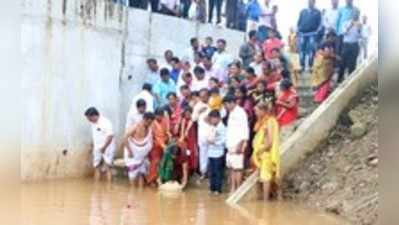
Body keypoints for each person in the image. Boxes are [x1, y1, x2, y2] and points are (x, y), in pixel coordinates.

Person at [252, 100, 280, 201]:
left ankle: (265, 202)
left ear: (263, 111)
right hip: (262, 154)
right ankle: (266, 199)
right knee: (263, 177)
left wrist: (260, 151)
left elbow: (269, 142)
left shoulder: (270, 122)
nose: (255, 113)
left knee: (265, 178)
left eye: (257, 111)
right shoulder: (263, 122)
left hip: (266, 154)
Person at [223, 94, 249, 193]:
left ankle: (238, 189)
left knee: (237, 168)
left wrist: (241, 144)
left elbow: (244, 129)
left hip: (238, 143)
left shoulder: (240, 112)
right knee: (231, 167)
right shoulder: (231, 112)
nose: (225, 107)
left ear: (232, 103)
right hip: (230, 143)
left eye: (226, 104)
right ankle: (232, 188)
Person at [122, 112, 155, 187]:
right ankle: (132, 193)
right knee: (132, 176)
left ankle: (140, 195)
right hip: (133, 155)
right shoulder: (135, 126)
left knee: (141, 174)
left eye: (151, 122)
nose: (150, 124)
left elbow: (150, 140)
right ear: (144, 119)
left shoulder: (149, 127)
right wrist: (129, 151)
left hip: (142, 156)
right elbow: (124, 137)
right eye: (149, 122)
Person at [85, 107, 116, 182]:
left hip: (108, 147)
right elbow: (95, 135)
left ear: (94, 116)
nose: (88, 120)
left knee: (108, 166)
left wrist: (104, 147)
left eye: (89, 118)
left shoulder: (105, 122)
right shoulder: (93, 123)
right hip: (97, 147)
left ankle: (109, 187)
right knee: (96, 166)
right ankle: (96, 186)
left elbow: (110, 136)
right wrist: (92, 146)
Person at [147, 108, 170, 186]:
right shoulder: (153, 123)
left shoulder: (164, 121)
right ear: (156, 115)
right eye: (159, 116)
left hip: (163, 145)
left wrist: (169, 135)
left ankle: (158, 179)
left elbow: (167, 131)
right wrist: (163, 145)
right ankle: (151, 180)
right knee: (155, 162)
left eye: (161, 116)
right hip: (155, 146)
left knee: (161, 163)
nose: (160, 117)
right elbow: (156, 137)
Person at [297, 0, 322, 70]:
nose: (310, 2)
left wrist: (317, 31)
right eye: (309, 1)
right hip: (302, 34)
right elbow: (298, 22)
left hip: (312, 34)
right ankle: (302, 66)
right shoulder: (303, 11)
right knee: (302, 50)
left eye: (312, 1)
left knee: (311, 50)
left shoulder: (318, 12)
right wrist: (298, 30)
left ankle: (311, 66)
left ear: (314, 2)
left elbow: (320, 24)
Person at [337, 11, 362, 83]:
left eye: (357, 14)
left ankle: (350, 81)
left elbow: (361, 36)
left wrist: (359, 29)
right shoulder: (345, 23)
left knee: (352, 64)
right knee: (342, 63)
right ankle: (339, 79)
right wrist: (350, 25)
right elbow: (344, 32)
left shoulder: (360, 24)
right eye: (355, 14)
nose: (356, 16)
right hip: (346, 45)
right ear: (352, 14)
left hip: (355, 45)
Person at [192, 88, 211, 180]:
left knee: (212, 153)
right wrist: (199, 112)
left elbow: (222, 114)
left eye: (205, 96)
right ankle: (203, 172)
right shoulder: (198, 106)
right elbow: (193, 119)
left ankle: (211, 172)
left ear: (208, 95)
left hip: (212, 132)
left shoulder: (213, 103)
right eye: (201, 96)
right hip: (202, 133)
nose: (203, 98)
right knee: (203, 153)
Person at [207, 110, 226, 195]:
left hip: (218, 152)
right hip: (211, 151)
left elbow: (224, 140)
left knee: (218, 172)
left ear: (218, 118)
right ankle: (212, 188)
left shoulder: (222, 128)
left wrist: (215, 142)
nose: (211, 120)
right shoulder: (211, 127)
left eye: (213, 118)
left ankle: (218, 189)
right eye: (210, 119)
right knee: (212, 171)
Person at [177, 107, 198, 175]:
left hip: (191, 141)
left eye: (189, 113)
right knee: (185, 155)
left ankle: (190, 172)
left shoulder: (192, 121)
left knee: (191, 155)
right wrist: (182, 138)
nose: (188, 115)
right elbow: (183, 132)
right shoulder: (183, 120)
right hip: (185, 141)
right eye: (186, 113)